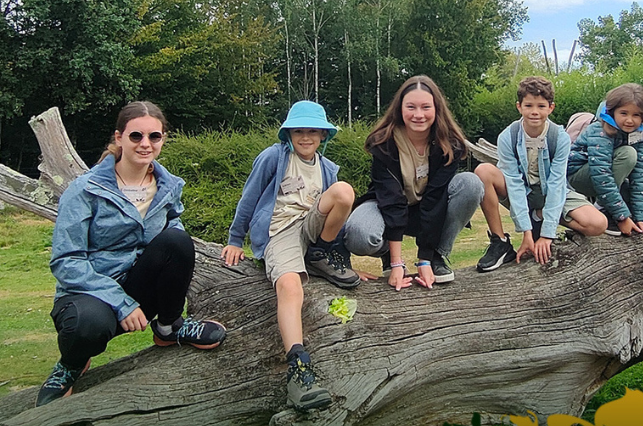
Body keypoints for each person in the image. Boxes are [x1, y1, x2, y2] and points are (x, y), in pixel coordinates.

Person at [37, 101, 226, 407]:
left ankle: (169, 327)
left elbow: (171, 239)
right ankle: (71, 363)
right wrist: (121, 304)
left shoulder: (167, 187)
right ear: (119, 137)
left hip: (140, 284)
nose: (145, 144)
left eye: (155, 137)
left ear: (163, 139)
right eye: (136, 136)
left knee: (178, 241)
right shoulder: (84, 190)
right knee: (86, 328)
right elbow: (65, 261)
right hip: (90, 291)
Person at [221, 100, 361, 410]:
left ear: (323, 135)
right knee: (289, 286)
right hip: (280, 231)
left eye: (313, 131)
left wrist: (344, 260)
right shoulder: (274, 157)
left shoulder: (327, 168)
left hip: (312, 228)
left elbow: (335, 214)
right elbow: (249, 197)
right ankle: (298, 367)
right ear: (288, 134)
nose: (306, 137)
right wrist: (234, 239)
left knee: (344, 191)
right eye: (299, 131)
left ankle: (321, 256)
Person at [344, 75, 484, 290]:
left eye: (425, 107)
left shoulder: (450, 144)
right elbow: (392, 200)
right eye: (411, 107)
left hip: (428, 210)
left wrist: (425, 258)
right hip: (385, 205)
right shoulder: (383, 142)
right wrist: (397, 262)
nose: (419, 115)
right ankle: (387, 255)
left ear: (437, 108)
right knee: (359, 235)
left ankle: (438, 256)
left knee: (471, 183)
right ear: (400, 108)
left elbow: (434, 199)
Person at [475, 76, 606, 273]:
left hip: (551, 192)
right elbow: (514, 182)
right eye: (528, 105)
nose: (534, 112)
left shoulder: (559, 137)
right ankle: (500, 241)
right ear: (519, 107)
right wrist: (526, 232)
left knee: (598, 224)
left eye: (541, 106)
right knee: (482, 171)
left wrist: (547, 233)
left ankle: (540, 216)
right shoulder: (507, 136)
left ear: (550, 108)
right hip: (522, 191)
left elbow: (556, 184)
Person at [567, 83, 643, 237]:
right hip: (579, 177)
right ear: (612, 112)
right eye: (624, 113)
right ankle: (600, 209)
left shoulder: (641, 133)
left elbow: (640, 174)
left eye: (636, 115)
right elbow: (602, 174)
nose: (629, 120)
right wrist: (622, 217)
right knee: (628, 154)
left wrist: (640, 216)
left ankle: (611, 212)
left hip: (610, 179)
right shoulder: (599, 130)